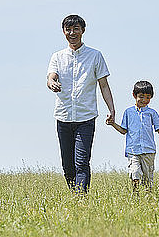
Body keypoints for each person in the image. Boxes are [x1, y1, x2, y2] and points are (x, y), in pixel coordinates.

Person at [46, 14, 116, 194]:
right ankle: (74, 195)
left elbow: (104, 84)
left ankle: (81, 199)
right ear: (63, 32)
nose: (72, 33)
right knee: (67, 165)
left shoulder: (95, 56)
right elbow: (51, 76)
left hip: (86, 117)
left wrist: (111, 109)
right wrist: (51, 82)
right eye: (68, 29)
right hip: (63, 116)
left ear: (83, 31)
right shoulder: (57, 57)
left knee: (81, 162)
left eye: (76, 29)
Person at [106, 80, 159, 191]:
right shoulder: (128, 112)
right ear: (134, 95)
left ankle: (148, 199)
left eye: (148, 97)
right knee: (135, 173)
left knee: (147, 180)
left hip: (148, 150)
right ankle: (135, 195)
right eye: (141, 96)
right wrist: (113, 124)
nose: (144, 100)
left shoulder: (152, 113)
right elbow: (123, 130)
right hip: (133, 150)